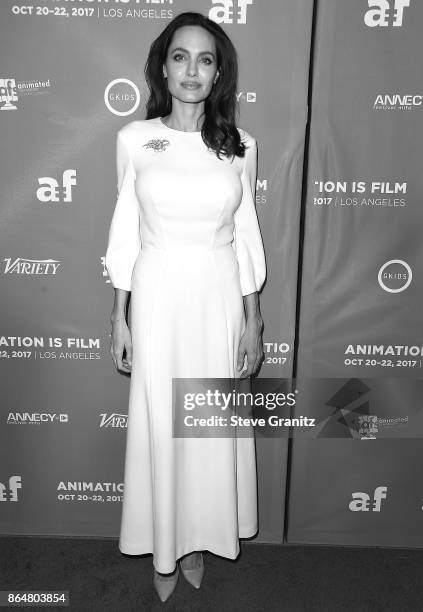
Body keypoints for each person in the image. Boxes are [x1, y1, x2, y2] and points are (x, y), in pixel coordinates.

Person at [105, 11, 266, 603]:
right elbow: (125, 232)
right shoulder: (133, 140)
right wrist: (118, 314)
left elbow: (246, 236)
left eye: (205, 58)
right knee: (161, 422)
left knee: (205, 424)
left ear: (218, 71)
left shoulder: (240, 146)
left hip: (219, 295)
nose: (192, 69)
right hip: (158, 296)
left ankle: (198, 538)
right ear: (163, 67)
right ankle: (165, 544)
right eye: (180, 57)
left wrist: (253, 319)